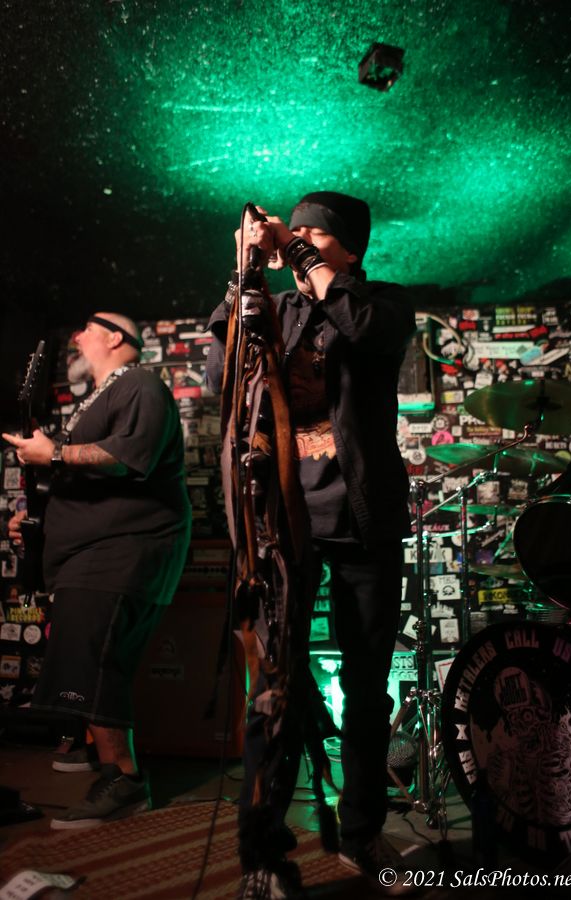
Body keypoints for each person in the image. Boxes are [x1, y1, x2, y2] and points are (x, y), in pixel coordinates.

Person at [207, 192, 416, 897]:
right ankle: (263, 854)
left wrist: (295, 253)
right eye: (289, 227)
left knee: (366, 688)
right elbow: (221, 375)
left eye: (312, 232)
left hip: (363, 521)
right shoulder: (275, 308)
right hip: (284, 524)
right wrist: (243, 271)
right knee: (276, 685)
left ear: (350, 248)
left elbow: (363, 327)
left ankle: (361, 833)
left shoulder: (385, 301)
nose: (292, 236)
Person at [3, 312, 192, 829]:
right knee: (86, 657)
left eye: (87, 327)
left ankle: (124, 779)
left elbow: (129, 456)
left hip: (120, 552)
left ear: (115, 337)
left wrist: (54, 453)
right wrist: (36, 520)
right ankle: (101, 757)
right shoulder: (103, 394)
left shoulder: (140, 384)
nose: (77, 336)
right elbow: (80, 480)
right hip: (90, 554)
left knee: (96, 659)